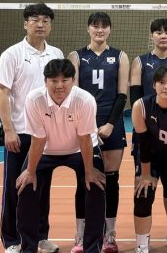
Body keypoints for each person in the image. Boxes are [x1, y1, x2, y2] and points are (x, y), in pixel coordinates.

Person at [15, 59, 106, 253]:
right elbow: (38, 139)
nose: (59, 85)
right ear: (45, 81)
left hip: (80, 149)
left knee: (96, 187)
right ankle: (29, 247)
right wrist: (30, 171)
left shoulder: (85, 100)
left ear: (73, 80)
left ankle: (92, 248)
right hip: (46, 150)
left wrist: (89, 171)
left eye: (64, 80)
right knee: (26, 187)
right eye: (53, 81)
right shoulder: (34, 99)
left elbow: (84, 138)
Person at [0, 2, 64, 253]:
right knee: (14, 188)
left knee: (42, 188)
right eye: (35, 19)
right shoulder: (12, 54)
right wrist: (8, 129)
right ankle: (12, 240)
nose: (40, 24)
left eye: (45, 20)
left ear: (50, 25)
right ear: (25, 24)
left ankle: (40, 236)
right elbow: (2, 92)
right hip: (20, 133)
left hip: (46, 136)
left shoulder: (56, 54)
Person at [129, 18, 167, 252]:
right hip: (148, 136)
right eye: (158, 32)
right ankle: (142, 245)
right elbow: (144, 138)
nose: (163, 35)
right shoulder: (141, 63)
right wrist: (145, 173)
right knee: (143, 190)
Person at [69, 12, 130, 253]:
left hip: (111, 124)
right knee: (83, 178)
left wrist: (110, 124)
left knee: (111, 180)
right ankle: (81, 236)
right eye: (95, 26)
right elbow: (73, 95)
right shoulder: (76, 56)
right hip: (84, 124)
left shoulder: (120, 56)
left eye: (104, 26)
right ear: (88, 29)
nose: (100, 30)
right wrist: (88, 126)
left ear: (110, 29)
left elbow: (122, 95)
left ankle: (109, 235)